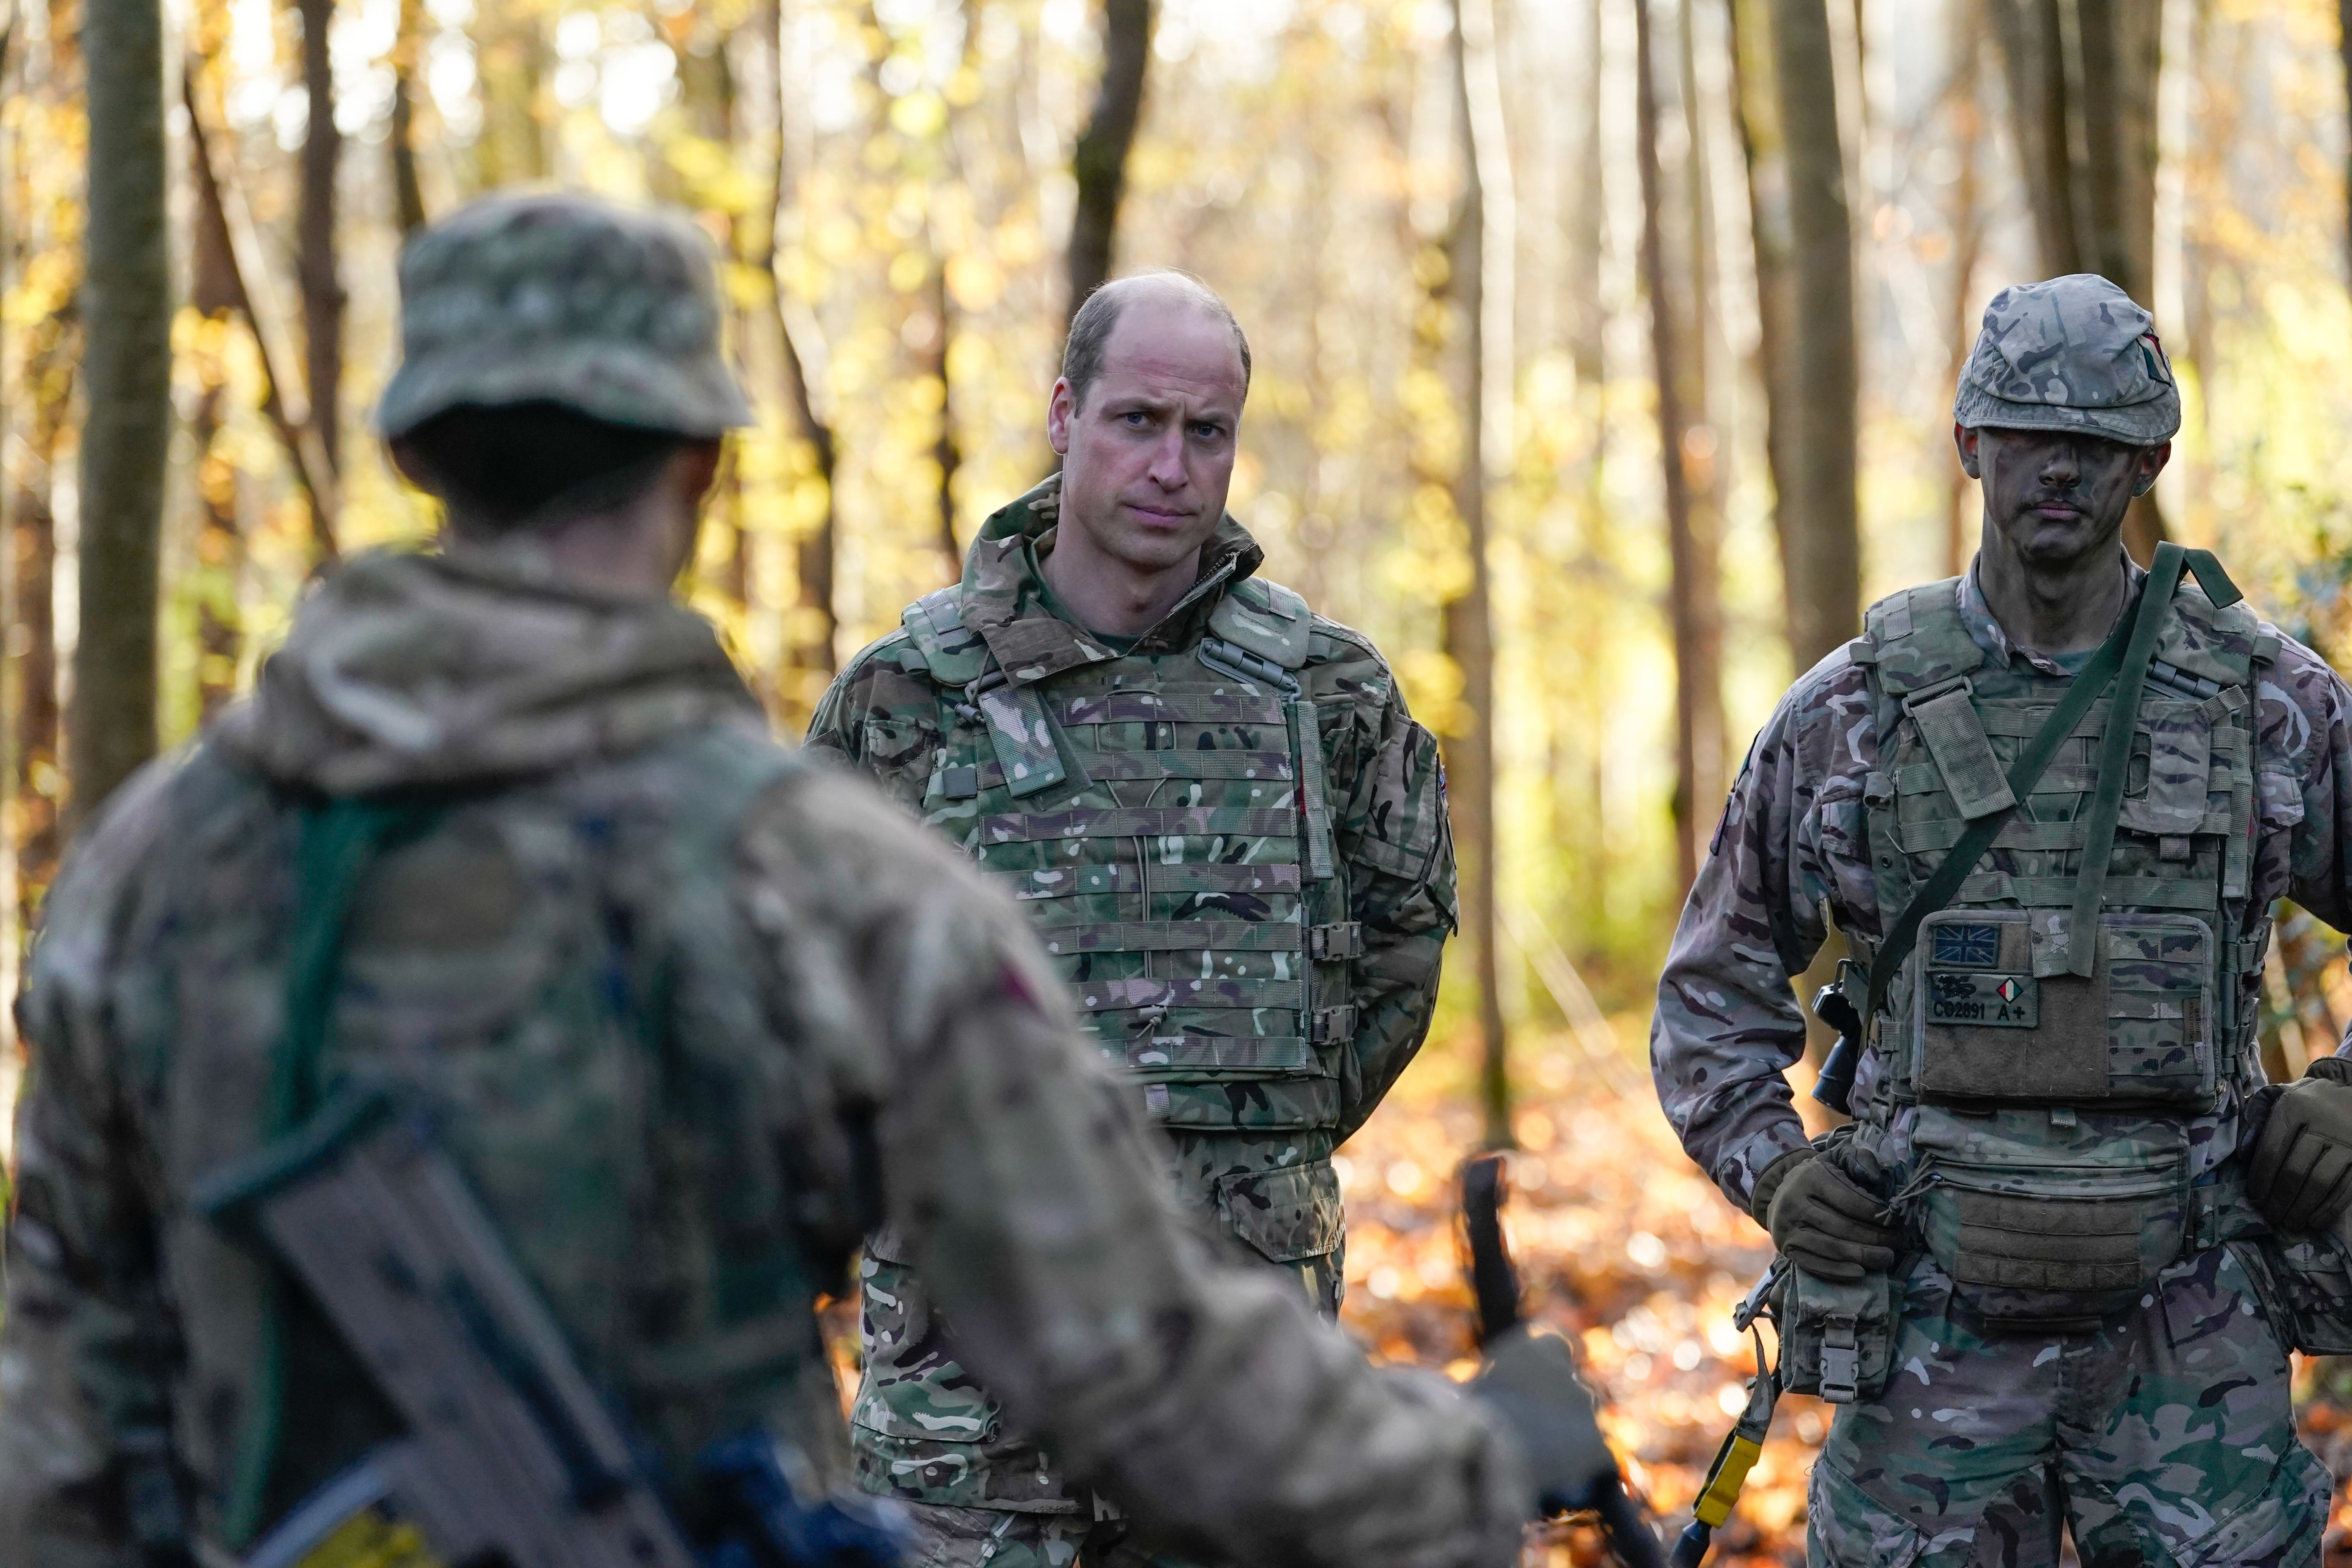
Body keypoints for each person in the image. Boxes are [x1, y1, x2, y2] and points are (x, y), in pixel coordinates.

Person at [0, 192, 1610, 1568]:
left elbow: (54, 1427)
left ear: (419, 446)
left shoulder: (147, 869)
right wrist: (1482, 1453)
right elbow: (1136, 1361)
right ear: (696, 458)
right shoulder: (813, 879)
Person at [1653, 270, 2352, 1565]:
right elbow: (1710, 989)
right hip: (1929, 1335)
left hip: (2191, 1323)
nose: (2059, 469)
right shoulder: (1850, 714)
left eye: (2093, 442)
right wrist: (1781, 1174)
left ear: (2148, 455)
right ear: (1970, 439)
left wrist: (2346, 1093)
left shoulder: (2264, 706)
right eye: (2029, 432)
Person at [805, 270, 1455, 1566]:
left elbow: (1398, 952)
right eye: (1136, 420)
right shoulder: (909, 696)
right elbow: (799, 1001)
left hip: (1242, 1357)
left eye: (1204, 432)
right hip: (967, 1385)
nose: (1171, 465)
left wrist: (1244, 1152)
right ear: (1064, 414)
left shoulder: (1328, 694)